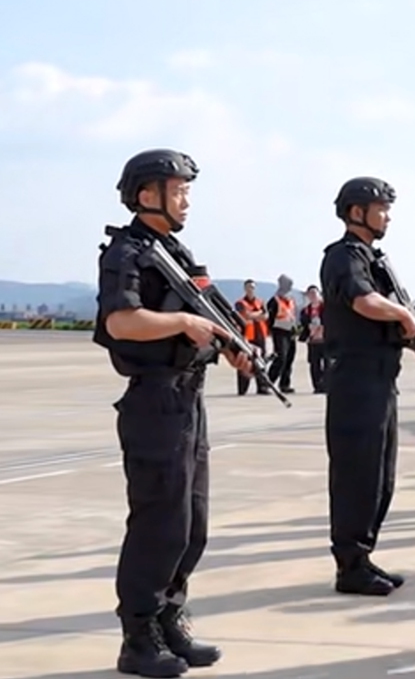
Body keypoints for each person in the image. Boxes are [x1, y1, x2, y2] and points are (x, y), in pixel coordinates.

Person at [94, 148, 253, 677]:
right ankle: (138, 638)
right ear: (146, 195)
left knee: (192, 522)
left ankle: (170, 618)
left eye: (187, 190)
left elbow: (206, 310)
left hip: (188, 394)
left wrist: (229, 345)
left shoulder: (175, 252)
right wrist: (183, 322)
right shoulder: (127, 252)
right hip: (154, 399)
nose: (186, 200)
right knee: (159, 522)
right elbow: (122, 322)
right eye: (177, 190)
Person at [320, 176, 415, 597]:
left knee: (380, 475)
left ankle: (363, 556)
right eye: (380, 208)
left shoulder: (373, 257)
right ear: (356, 213)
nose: (386, 216)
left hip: (381, 379)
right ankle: (349, 564)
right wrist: (405, 317)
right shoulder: (343, 256)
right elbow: (363, 301)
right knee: (357, 473)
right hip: (356, 380)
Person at [234, 279, 269, 396]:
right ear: (245, 289)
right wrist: (258, 314)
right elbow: (245, 315)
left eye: (252, 287)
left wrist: (254, 315)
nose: (251, 289)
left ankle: (262, 387)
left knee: (261, 361)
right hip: (247, 336)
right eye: (248, 287)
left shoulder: (260, 302)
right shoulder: (240, 302)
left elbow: (266, 316)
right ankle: (242, 388)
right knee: (244, 361)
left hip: (260, 335)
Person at [266, 274, 298, 394]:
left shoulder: (290, 300)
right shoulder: (274, 300)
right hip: (279, 331)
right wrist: (270, 331)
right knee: (281, 357)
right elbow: (270, 317)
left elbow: (292, 316)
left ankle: (285, 384)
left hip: (290, 332)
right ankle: (268, 382)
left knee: (289, 358)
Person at [298, 285, 327, 393]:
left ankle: (326, 384)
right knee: (314, 364)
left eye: (315, 293)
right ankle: (317, 386)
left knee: (328, 363)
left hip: (325, 340)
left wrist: (320, 329)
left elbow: (329, 321)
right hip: (313, 341)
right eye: (310, 294)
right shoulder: (306, 310)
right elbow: (304, 324)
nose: (313, 296)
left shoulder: (325, 308)